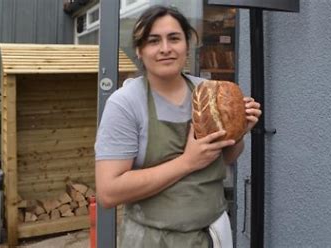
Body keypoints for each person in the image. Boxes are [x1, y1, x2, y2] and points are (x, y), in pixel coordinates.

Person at [95, 5, 261, 248]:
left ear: (187, 44)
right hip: (154, 239)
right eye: (153, 41)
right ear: (140, 51)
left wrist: (239, 132)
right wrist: (187, 162)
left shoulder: (207, 91)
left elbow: (223, 159)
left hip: (213, 234)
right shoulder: (126, 103)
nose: (165, 49)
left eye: (174, 38)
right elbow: (109, 193)